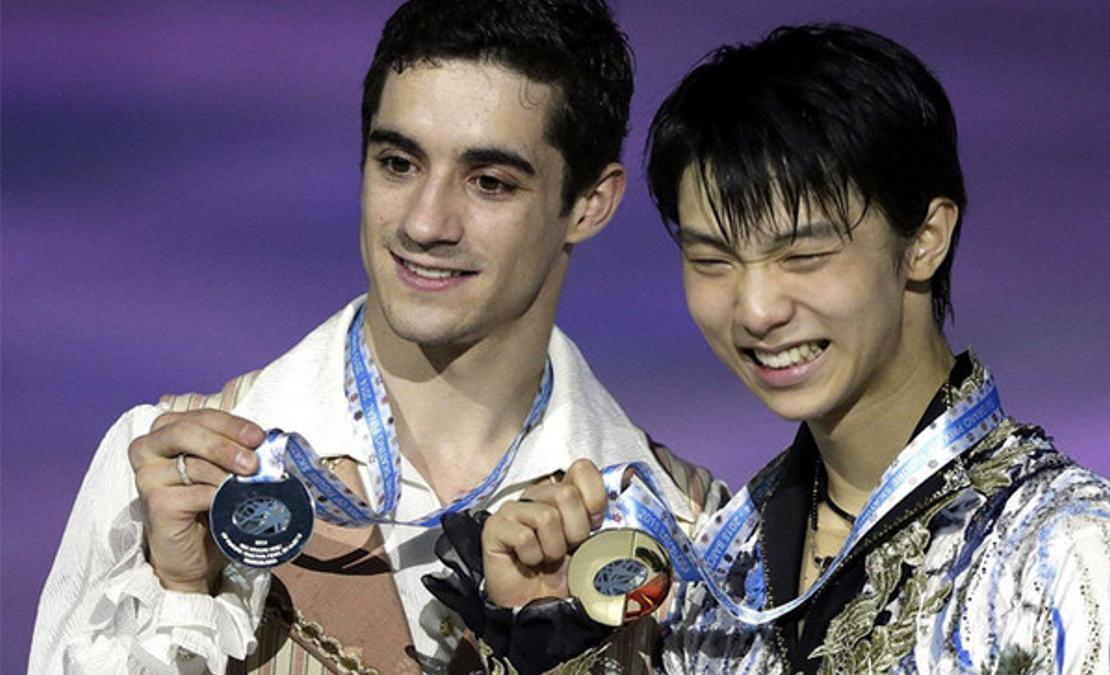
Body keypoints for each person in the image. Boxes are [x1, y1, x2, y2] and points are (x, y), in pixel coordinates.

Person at [461, 23, 1110, 673]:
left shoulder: (1068, 554)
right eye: (712, 260)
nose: (756, 308)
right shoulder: (718, 570)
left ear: (925, 239)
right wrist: (550, 635)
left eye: (803, 254)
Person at [28, 2, 722, 674]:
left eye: (488, 181)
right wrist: (180, 593)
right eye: (399, 163)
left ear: (590, 203)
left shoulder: (688, 533)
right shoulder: (162, 470)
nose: (425, 222)